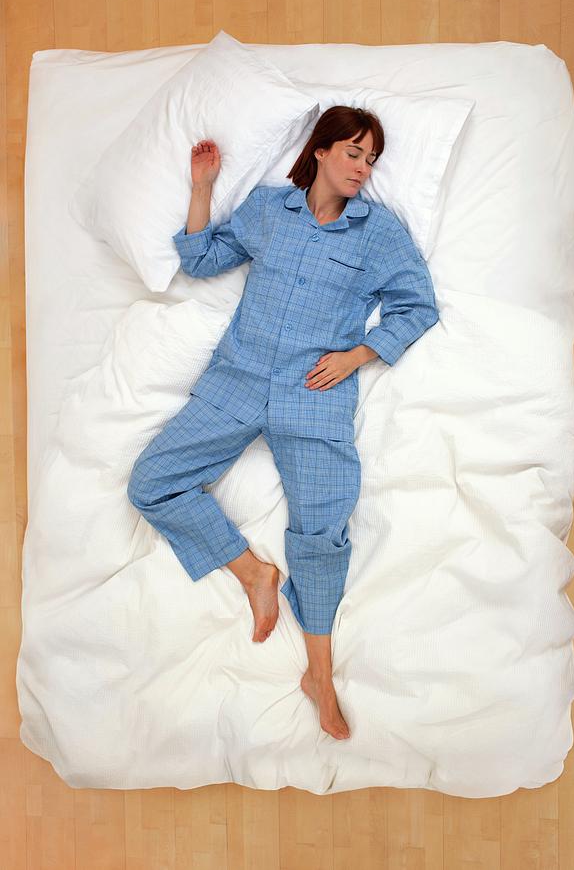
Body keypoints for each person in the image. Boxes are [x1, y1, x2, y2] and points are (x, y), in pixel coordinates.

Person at [127, 107, 440, 740]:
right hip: (238, 377)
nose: (362, 168)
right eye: (353, 152)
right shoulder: (271, 210)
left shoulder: (378, 233)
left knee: (322, 531)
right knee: (152, 483)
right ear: (320, 151)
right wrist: (202, 188)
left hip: (315, 392)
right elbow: (203, 258)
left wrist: (357, 355)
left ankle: (318, 675)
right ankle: (255, 574)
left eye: (371, 159)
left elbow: (418, 305)